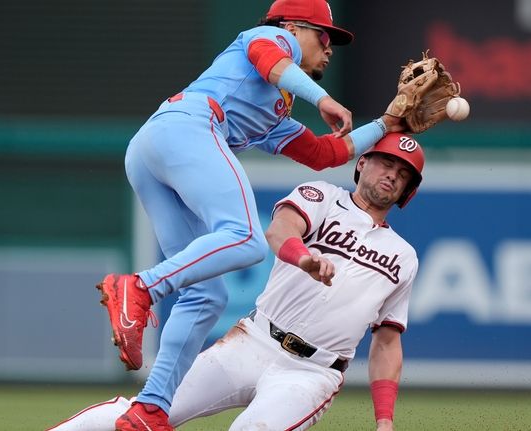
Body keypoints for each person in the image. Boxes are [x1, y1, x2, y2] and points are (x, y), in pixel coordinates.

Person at [95, 0, 407, 428]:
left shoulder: (274, 106)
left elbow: (323, 154)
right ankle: (141, 288)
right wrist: (324, 98)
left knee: (207, 295)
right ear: (294, 27)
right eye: (323, 35)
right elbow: (270, 59)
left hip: (151, 149)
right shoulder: (269, 39)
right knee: (244, 238)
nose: (329, 47)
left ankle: (150, 408)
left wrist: (388, 123)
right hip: (190, 127)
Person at [48, 132, 424, 431]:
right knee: (147, 411)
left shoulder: (403, 256)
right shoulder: (324, 196)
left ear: (408, 190)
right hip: (253, 341)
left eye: (403, 172)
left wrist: (385, 420)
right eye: (385, 162)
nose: (392, 173)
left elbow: (387, 342)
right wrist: (305, 258)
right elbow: (280, 230)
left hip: (312, 373)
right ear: (363, 163)